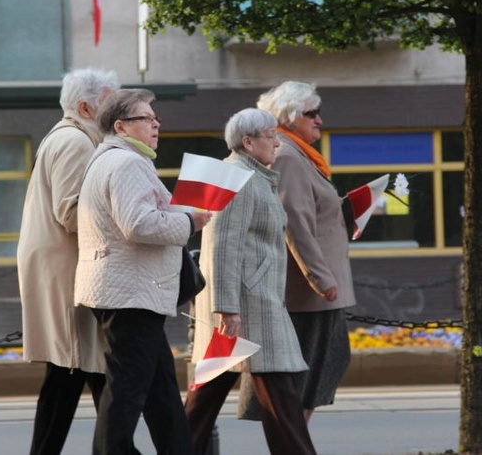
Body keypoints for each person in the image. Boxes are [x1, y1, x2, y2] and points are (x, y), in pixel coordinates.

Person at [74, 89, 212, 455]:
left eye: (156, 118)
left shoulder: (110, 160)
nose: (155, 124)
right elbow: (137, 224)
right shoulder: (127, 163)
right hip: (131, 294)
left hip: (129, 291)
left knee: (161, 391)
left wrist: (179, 213)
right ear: (121, 126)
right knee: (127, 393)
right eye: (146, 118)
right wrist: (189, 221)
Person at [185, 108, 317, 455]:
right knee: (279, 393)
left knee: (205, 403)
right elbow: (220, 246)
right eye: (271, 136)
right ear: (248, 142)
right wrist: (226, 308)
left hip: (250, 303)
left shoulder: (252, 177)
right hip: (247, 305)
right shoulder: (235, 178)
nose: (277, 142)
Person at [17, 67, 122, 455]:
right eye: (113, 102)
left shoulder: (71, 137)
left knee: (74, 376)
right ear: (86, 107)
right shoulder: (77, 142)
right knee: (82, 369)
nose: (122, 110)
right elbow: (71, 212)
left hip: (68, 271)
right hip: (69, 274)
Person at [256, 81, 357, 422]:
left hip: (314, 290)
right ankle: (293, 446)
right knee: (303, 383)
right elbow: (294, 221)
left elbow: (309, 210)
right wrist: (320, 278)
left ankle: (294, 443)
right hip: (307, 293)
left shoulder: (299, 154)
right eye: (312, 113)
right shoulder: (287, 155)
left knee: (313, 378)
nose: (320, 120)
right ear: (288, 117)